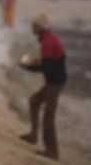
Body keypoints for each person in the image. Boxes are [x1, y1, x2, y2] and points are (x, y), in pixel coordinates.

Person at [19, 13, 67, 160]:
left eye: (34, 27)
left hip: (55, 82)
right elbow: (52, 61)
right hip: (55, 79)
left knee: (48, 117)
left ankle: (52, 152)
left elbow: (46, 67)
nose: (32, 29)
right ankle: (34, 135)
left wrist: (27, 66)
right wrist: (36, 62)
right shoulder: (49, 38)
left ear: (39, 28)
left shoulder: (47, 42)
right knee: (34, 101)